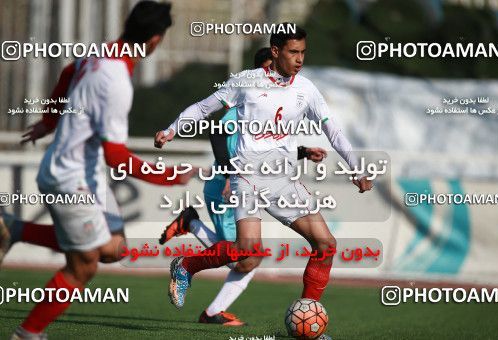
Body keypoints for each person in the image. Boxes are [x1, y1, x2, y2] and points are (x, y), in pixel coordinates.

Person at [154, 23, 372, 339]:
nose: (299, 59)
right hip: (247, 177)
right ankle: (186, 266)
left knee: (325, 244)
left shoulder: (306, 89)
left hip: (283, 180)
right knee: (247, 250)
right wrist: (172, 129)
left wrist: (357, 168)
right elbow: (205, 108)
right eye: (293, 52)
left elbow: (333, 130)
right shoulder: (246, 82)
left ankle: (308, 319)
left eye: (303, 52)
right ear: (275, 51)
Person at [0, 2, 192, 339]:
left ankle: (16, 230)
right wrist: (169, 176)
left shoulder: (103, 54)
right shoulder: (116, 80)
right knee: (84, 265)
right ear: (155, 41)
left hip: (82, 172)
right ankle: (28, 334)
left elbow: (68, 72)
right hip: (70, 177)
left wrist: (49, 122)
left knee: (112, 249)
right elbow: (116, 156)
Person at [158, 47, 329, 326]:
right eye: (268, 70)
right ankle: (191, 234)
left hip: (248, 182)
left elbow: (266, 145)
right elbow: (217, 131)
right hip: (228, 186)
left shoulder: (274, 104)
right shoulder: (241, 104)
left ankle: (211, 308)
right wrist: (227, 174)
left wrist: (303, 151)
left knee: (249, 255)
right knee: (244, 257)